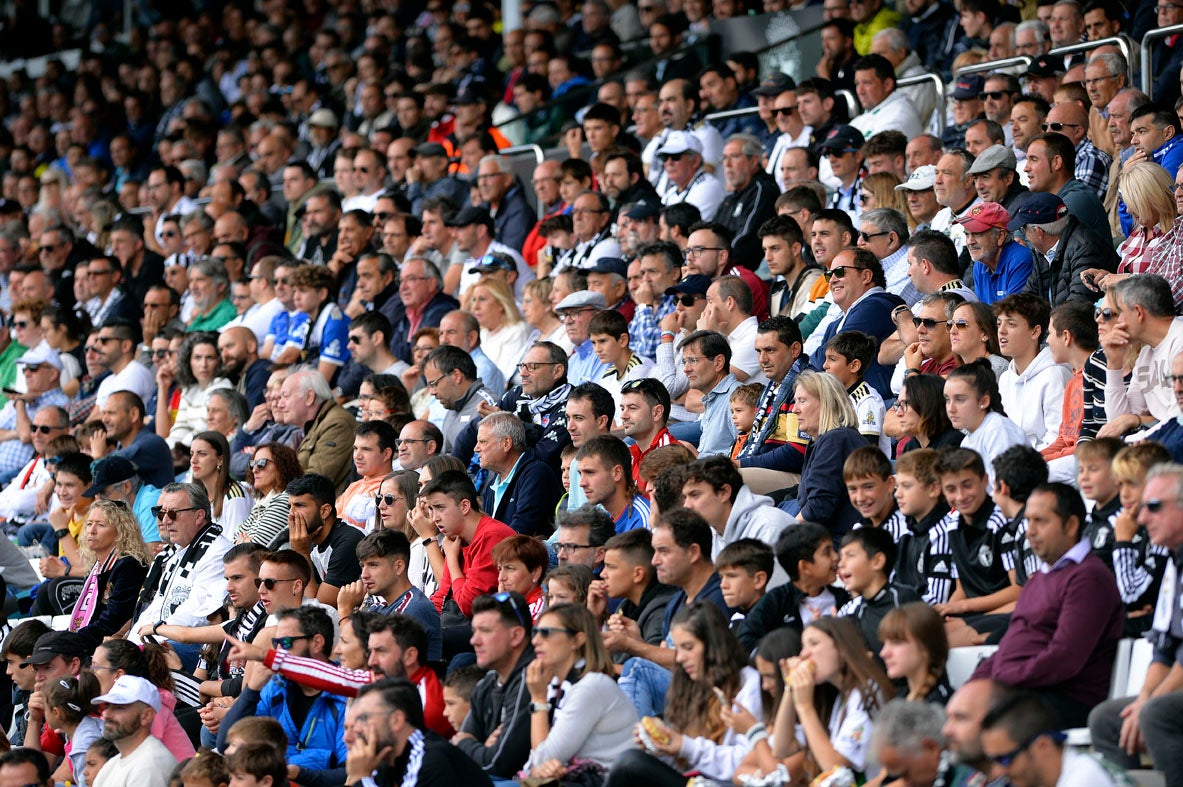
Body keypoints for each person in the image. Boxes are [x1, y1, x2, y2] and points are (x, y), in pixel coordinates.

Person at [970, 482, 1123, 728]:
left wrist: (1003, 681)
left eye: (1040, 521)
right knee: (958, 709)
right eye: (1028, 520)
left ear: (1071, 525)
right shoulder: (1039, 579)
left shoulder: (1088, 578)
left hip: (1065, 699)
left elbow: (1064, 657)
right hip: (1024, 691)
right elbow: (1012, 644)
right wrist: (975, 685)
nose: (1030, 531)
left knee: (981, 721)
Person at [605, 602, 762, 787]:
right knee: (632, 760)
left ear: (713, 644)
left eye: (688, 647)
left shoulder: (748, 684)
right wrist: (659, 747)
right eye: (678, 650)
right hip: (695, 780)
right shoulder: (691, 684)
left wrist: (684, 746)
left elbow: (749, 763)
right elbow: (686, 761)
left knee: (630, 764)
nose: (680, 658)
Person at [738, 616, 892, 783]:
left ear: (841, 648)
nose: (805, 654)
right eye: (804, 646)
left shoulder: (867, 692)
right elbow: (781, 749)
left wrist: (805, 708)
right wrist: (791, 686)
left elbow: (836, 768)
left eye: (814, 643)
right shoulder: (841, 696)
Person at [522, 604, 638, 782]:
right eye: (535, 632)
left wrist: (538, 699)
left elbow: (541, 761)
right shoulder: (555, 685)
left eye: (546, 633)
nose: (535, 640)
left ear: (577, 640)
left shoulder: (591, 687)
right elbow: (536, 766)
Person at [128, 483, 232, 670]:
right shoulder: (175, 551)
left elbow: (198, 615)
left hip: (195, 645)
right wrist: (132, 643)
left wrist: (145, 644)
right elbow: (156, 608)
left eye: (173, 513)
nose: (165, 521)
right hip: (164, 636)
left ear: (199, 515)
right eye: (160, 513)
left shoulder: (218, 552)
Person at [343, 677, 493, 787]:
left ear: (396, 720)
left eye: (364, 719)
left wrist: (360, 779)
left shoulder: (430, 760)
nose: (349, 736)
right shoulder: (385, 760)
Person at [453, 591, 536, 780]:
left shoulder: (531, 679)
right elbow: (458, 752)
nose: (474, 640)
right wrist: (479, 747)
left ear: (516, 636)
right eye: (475, 631)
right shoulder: (488, 681)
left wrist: (467, 744)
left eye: (485, 631)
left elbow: (498, 763)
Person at [981, 693, 1126, 786]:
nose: (998, 772)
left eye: (1005, 759)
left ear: (1042, 746)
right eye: (993, 760)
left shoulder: (1083, 780)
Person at [788, 370, 866, 529]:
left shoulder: (835, 440)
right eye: (795, 401)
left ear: (827, 403)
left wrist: (783, 533)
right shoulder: (827, 440)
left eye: (802, 401)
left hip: (837, 544)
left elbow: (818, 508)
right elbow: (806, 491)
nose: (794, 409)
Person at [475, 412, 561, 536]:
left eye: (483, 442)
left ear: (506, 444)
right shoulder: (493, 484)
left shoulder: (536, 474)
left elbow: (520, 532)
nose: (476, 448)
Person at [944, 361, 1028, 486]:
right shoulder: (966, 441)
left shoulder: (998, 430)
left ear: (984, 401)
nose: (950, 408)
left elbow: (1005, 487)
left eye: (960, 399)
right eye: (947, 399)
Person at [286, 472, 364, 607]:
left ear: (324, 511)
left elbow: (319, 607)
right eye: (290, 507)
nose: (291, 514)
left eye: (300, 505)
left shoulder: (348, 542)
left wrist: (301, 553)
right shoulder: (309, 539)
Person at [275, 367, 356, 492]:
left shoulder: (337, 423)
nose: (280, 405)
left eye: (285, 396)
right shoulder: (305, 429)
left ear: (309, 397)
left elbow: (313, 481)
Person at [89, 676, 178, 787]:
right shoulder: (112, 765)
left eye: (119, 708)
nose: (106, 714)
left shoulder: (150, 765)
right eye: (107, 706)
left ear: (146, 716)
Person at [877, 602, 952, 704]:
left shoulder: (941, 706)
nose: (883, 653)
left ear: (926, 647)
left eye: (896, 643)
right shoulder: (900, 698)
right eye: (884, 643)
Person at [236, 442, 300, 549]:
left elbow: (255, 549)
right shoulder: (261, 503)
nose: (254, 469)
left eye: (262, 463)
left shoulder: (285, 500)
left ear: (282, 466)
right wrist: (245, 540)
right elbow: (234, 539)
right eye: (252, 464)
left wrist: (244, 540)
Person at [189, 430, 254, 534]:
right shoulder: (198, 497)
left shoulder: (234, 498)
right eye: (191, 454)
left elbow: (235, 546)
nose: (193, 460)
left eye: (202, 454)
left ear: (220, 460)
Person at [895, 373, 963, 453]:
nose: (898, 413)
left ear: (927, 404)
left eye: (905, 403)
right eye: (898, 405)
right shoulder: (910, 447)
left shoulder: (954, 443)